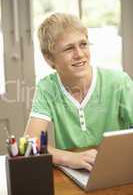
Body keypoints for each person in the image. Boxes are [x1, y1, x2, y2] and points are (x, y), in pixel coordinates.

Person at [24, 13, 133, 171]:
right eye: (69, 48)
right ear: (49, 59)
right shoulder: (47, 87)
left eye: (83, 44)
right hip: (76, 173)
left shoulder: (119, 82)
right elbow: (30, 143)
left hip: (119, 169)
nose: (80, 54)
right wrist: (68, 158)